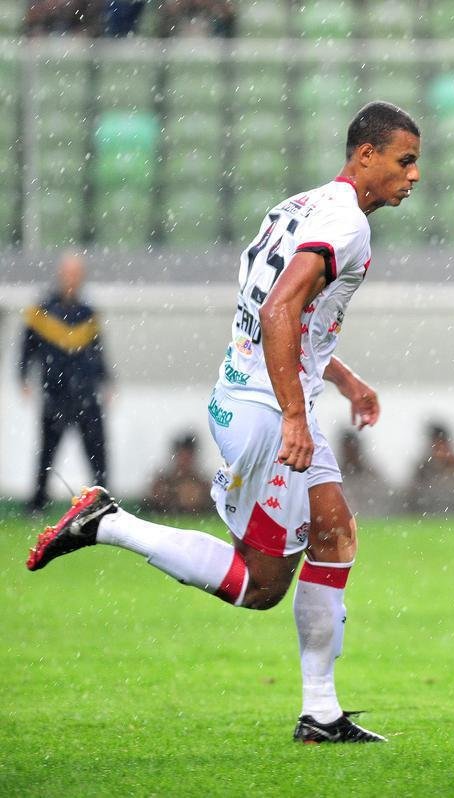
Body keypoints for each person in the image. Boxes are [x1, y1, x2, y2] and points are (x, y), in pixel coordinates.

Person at [26, 101, 422, 744]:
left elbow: (278, 310)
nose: (413, 177)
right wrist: (296, 416)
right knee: (258, 585)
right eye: (405, 161)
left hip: (257, 394)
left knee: (335, 534)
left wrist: (341, 379)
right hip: (269, 413)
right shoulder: (346, 226)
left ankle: (320, 713)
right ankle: (109, 524)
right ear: (366, 155)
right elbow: (278, 313)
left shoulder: (297, 206)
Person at [19, 253, 110, 513]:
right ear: (61, 275)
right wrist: (23, 377)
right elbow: (28, 348)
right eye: (68, 273)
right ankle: (37, 504)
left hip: (85, 391)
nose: (72, 278)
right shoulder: (42, 310)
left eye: (76, 273)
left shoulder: (87, 313)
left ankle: (103, 504)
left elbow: (98, 351)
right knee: (47, 450)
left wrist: (106, 381)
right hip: (55, 391)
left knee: (97, 450)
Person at [403, 421, 454, 515]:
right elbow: (412, 497)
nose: (439, 450)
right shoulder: (423, 468)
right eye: (436, 444)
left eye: (441, 444)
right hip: (429, 518)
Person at [144, 432, 211, 516]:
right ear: (175, 456)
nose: (184, 461)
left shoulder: (203, 485)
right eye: (182, 455)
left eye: (188, 456)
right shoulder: (163, 483)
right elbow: (151, 506)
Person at [336, 429, 394, 517]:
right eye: (347, 449)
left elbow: (384, 501)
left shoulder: (372, 476)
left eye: (352, 449)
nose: (350, 453)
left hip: (372, 521)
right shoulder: (334, 476)